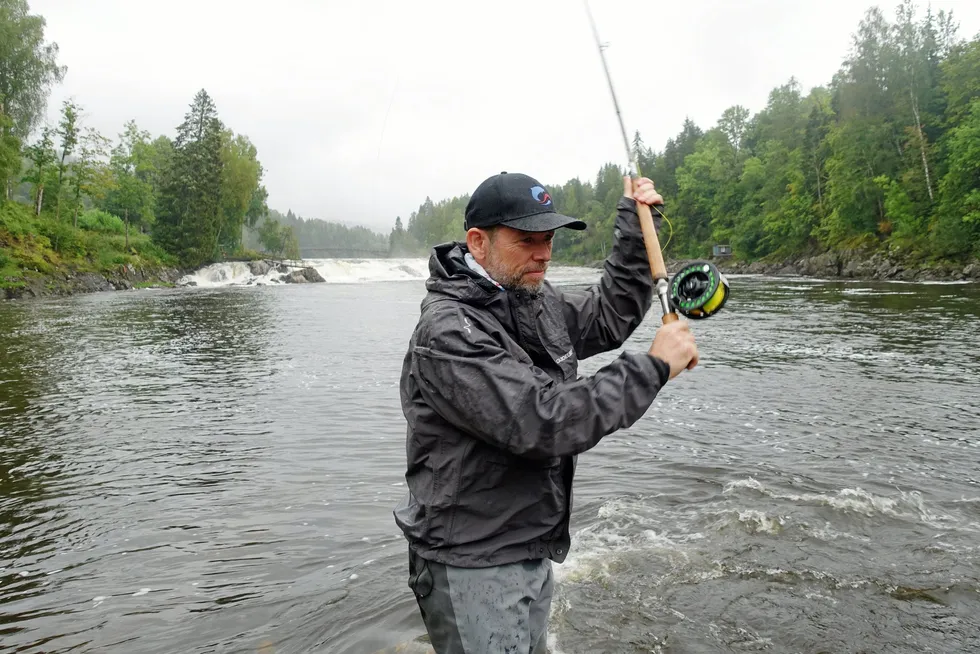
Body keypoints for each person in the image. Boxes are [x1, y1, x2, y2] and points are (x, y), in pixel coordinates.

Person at [393, 171, 699, 653]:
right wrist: (654, 366)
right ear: (478, 242)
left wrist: (635, 226)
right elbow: (544, 419)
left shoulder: (530, 297)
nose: (543, 253)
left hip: (527, 546)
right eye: (527, 241)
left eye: (549, 239)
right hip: (472, 561)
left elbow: (609, 312)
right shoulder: (448, 333)